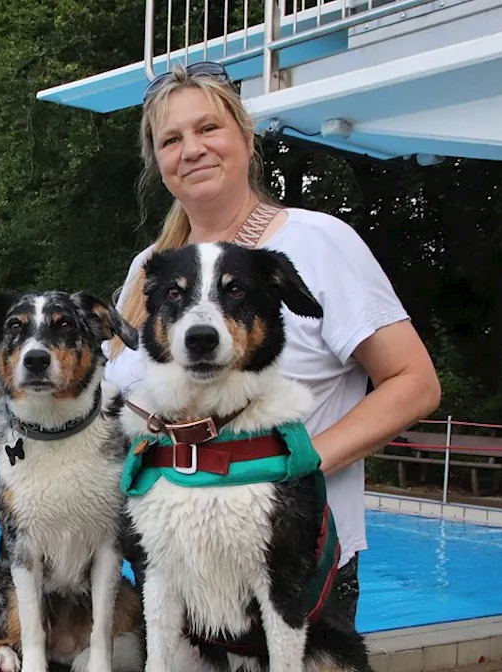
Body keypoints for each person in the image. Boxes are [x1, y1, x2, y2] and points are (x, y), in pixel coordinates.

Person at [103, 61, 441, 627]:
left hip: (290, 560)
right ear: (157, 162)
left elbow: (414, 383)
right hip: (170, 568)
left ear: (246, 135)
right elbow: (120, 403)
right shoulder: (150, 271)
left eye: (208, 128)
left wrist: (300, 462)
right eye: (171, 139)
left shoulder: (317, 243)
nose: (192, 149)